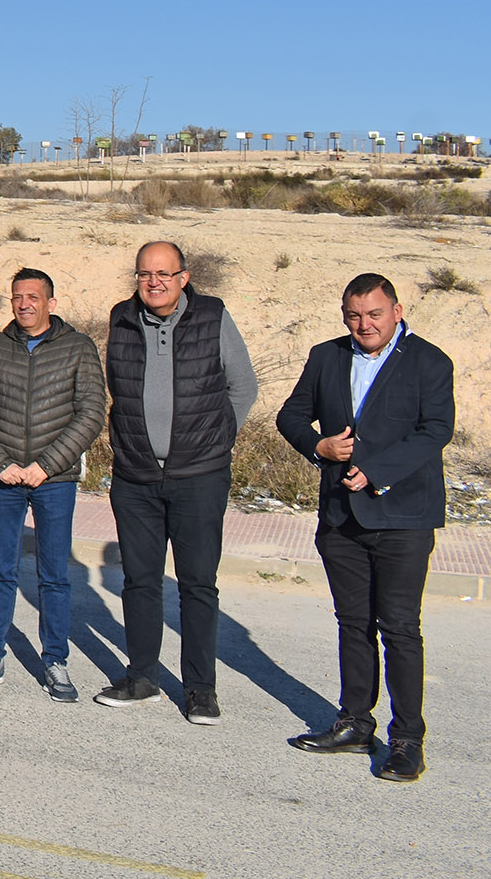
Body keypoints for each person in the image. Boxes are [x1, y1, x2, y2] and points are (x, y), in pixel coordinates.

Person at [277, 274, 454, 782]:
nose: (364, 325)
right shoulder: (326, 356)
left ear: (396, 311)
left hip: (403, 518)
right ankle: (354, 722)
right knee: (353, 624)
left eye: (374, 314)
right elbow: (291, 415)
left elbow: (435, 430)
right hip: (340, 518)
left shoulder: (429, 361)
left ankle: (406, 740)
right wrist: (320, 447)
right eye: (354, 316)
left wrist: (379, 472)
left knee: (399, 628)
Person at [95, 241, 258, 722]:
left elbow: (242, 385)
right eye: (146, 273)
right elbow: (117, 387)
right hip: (136, 477)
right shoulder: (121, 318)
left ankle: (200, 689)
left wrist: (216, 439)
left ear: (184, 277)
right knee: (140, 582)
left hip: (199, 476)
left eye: (165, 273)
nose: (154, 282)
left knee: (197, 586)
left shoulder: (212, 316)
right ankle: (143, 676)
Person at [0, 268, 106, 702]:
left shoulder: (78, 347)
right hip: (3, 478)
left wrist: (47, 464)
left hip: (53, 481)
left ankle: (55, 661)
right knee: (0, 569)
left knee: (54, 574)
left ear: (50, 303)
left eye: (33, 297)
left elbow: (91, 412)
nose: (24, 304)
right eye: (17, 297)